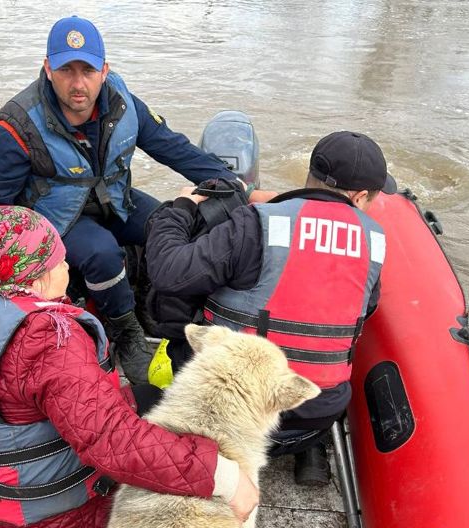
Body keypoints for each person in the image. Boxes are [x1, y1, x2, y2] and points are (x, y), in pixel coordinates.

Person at [0, 206, 258, 528]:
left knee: (149, 396)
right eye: (60, 259)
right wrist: (222, 476)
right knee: (204, 487)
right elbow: (112, 442)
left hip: (12, 527)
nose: (68, 268)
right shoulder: (43, 338)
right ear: (35, 275)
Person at [0, 15, 262, 384]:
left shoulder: (122, 103)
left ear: (104, 70)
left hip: (114, 200)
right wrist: (16, 267)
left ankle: (172, 311)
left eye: (88, 70)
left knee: (174, 223)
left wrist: (235, 186)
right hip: (57, 219)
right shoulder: (16, 127)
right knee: (102, 252)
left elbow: (172, 147)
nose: (78, 83)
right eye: (66, 70)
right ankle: (127, 336)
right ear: (47, 68)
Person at [145, 131, 396, 486]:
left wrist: (181, 208)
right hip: (315, 416)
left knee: (188, 309)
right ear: (359, 197)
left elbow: (169, 272)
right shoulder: (374, 240)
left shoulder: (255, 223)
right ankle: (312, 448)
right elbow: (363, 312)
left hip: (228, 420)